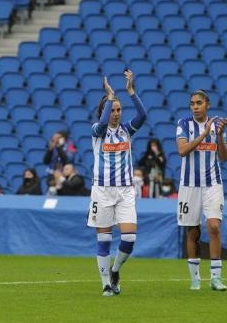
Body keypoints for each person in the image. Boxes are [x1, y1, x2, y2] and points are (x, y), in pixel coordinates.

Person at [87, 70, 146, 297]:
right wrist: (110, 97)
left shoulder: (126, 131)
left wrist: (131, 92)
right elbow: (101, 127)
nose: (116, 113)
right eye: (112, 110)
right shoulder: (97, 132)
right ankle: (105, 284)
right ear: (104, 112)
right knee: (103, 239)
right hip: (101, 191)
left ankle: (115, 270)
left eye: (119, 110)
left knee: (129, 238)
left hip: (125, 191)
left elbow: (142, 115)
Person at [176, 89, 227, 291]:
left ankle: (216, 277)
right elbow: (182, 151)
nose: (195, 107)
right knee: (193, 232)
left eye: (199, 103)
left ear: (207, 104)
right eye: (192, 103)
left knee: (214, 226)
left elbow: (223, 157)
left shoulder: (217, 125)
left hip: (213, 184)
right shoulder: (183, 124)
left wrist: (220, 135)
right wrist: (204, 134)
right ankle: (195, 278)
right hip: (189, 185)